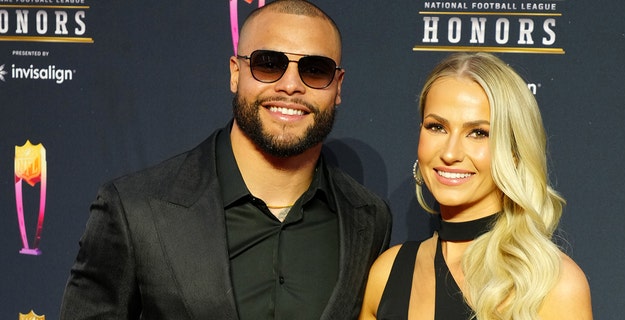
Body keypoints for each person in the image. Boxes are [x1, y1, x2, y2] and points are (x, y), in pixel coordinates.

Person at [60, 1, 392, 319]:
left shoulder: (368, 219)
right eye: (268, 64)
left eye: (316, 70)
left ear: (337, 87)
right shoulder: (135, 209)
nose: (291, 86)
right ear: (236, 73)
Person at [359, 52, 592, 320]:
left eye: (478, 133)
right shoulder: (387, 273)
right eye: (436, 127)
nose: (450, 152)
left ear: (514, 152)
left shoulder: (554, 285)